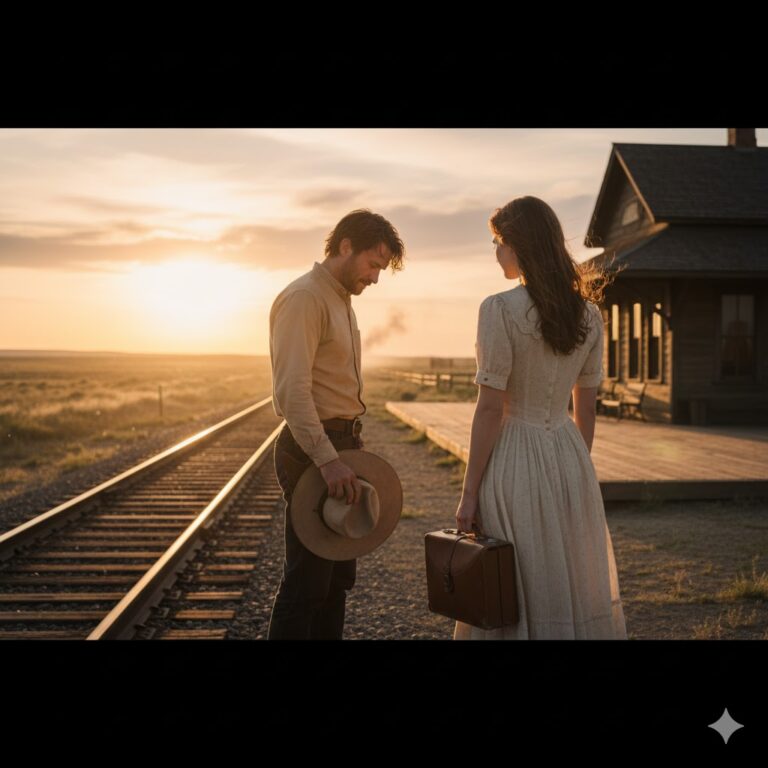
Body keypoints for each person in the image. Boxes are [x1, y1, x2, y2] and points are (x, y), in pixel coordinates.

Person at [453, 196, 628, 640]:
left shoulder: (498, 309)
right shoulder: (590, 314)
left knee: (517, 574)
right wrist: (574, 470)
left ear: (520, 244)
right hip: (570, 456)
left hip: (514, 454)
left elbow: (490, 408)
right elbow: (584, 407)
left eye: (499, 241)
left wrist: (468, 493)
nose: (496, 252)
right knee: (565, 571)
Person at [266, 209, 405, 640]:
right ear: (346, 246)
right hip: (315, 450)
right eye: (373, 265)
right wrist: (328, 461)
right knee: (307, 584)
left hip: (341, 446)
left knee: (337, 582)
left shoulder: (339, 300)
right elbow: (293, 392)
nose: (376, 278)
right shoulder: (306, 298)